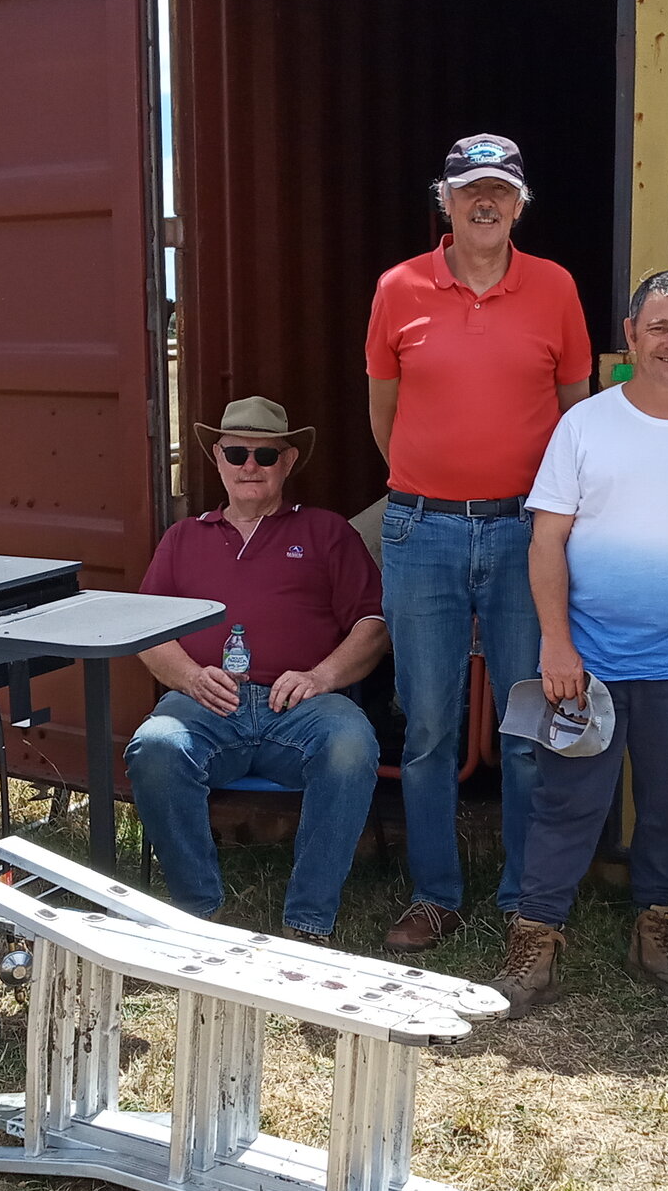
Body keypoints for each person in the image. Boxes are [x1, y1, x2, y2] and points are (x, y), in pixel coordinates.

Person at [491, 269, 668, 1016]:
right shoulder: (585, 425)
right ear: (631, 334)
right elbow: (546, 540)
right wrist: (557, 642)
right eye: (658, 327)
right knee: (565, 802)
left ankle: (658, 935)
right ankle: (534, 945)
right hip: (588, 665)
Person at [365, 134, 593, 953]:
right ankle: (436, 894)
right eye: (469, 191)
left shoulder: (556, 289)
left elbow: (578, 413)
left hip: (524, 527)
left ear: (520, 204)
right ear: (446, 201)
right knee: (426, 722)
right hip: (421, 526)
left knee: (527, 723)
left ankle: (527, 903)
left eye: (499, 190)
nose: (484, 203)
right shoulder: (399, 288)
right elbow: (383, 415)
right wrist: (428, 481)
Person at [128, 400, 389, 943]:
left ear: (288, 461)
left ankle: (308, 920)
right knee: (155, 746)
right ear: (216, 459)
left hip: (302, 705)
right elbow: (149, 633)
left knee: (351, 744)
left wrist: (320, 677)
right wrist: (190, 677)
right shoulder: (183, 538)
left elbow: (374, 623)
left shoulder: (326, 532)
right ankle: (196, 914)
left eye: (265, 453)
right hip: (204, 703)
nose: (250, 464)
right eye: (236, 452)